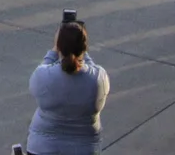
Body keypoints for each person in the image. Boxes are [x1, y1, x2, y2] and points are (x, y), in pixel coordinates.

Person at [24, 18, 110, 155]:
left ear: (58, 46)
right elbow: (90, 68)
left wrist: (54, 51)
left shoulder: (42, 76)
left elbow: (43, 69)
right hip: (85, 149)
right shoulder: (99, 77)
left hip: (43, 148)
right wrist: (81, 50)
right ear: (85, 47)